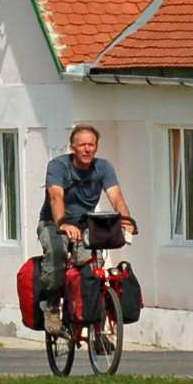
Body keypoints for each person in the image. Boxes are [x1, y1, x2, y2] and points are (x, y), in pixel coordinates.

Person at [37, 124, 135, 333]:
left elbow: (116, 197)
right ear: (73, 148)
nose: (87, 149)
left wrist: (125, 219)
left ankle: (97, 329)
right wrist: (62, 223)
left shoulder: (103, 167)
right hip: (54, 222)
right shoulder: (58, 166)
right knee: (57, 254)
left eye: (91, 145)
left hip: (85, 225)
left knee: (92, 270)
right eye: (82, 145)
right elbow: (56, 196)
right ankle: (53, 305)